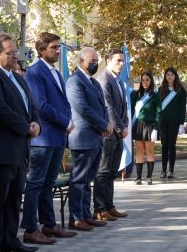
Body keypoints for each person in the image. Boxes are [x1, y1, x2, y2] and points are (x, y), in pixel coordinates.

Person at [0, 33, 40, 252]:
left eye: (16, 51)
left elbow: (31, 107)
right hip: (0, 151)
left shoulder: (17, 77)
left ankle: (10, 239)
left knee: (14, 199)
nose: (16, 56)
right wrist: (27, 128)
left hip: (19, 149)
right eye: (10, 53)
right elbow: (0, 110)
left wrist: (36, 124)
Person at [21, 32, 76, 244]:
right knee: (35, 183)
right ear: (41, 49)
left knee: (49, 183)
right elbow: (41, 106)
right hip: (43, 138)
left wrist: (68, 120)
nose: (57, 50)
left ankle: (49, 225)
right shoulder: (35, 72)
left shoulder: (55, 71)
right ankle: (29, 228)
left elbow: (63, 102)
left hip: (57, 136)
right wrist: (65, 122)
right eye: (53, 47)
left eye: (58, 47)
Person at [66, 47, 113, 231]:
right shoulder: (74, 81)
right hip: (83, 137)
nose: (95, 63)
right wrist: (103, 125)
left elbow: (103, 108)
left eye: (96, 60)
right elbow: (83, 109)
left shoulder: (93, 82)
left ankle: (86, 214)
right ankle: (76, 218)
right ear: (81, 62)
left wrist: (106, 124)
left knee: (88, 180)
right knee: (79, 179)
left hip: (96, 137)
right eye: (92, 60)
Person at [93, 49, 129, 221]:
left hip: (118, 134)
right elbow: (108, 107)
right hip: (108, 133)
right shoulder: (103, 80)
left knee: (112, 171)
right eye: (118, 60)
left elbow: (124, 107)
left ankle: (109, 205)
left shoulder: (119, 82)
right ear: (108, 61)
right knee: (103, 171)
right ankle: (100, 208)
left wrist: (125, 124)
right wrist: (120, 127)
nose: (121, 63)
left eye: (123, 60)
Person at [131, 72, 161, 185]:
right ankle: (138, 178)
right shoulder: (136, 94)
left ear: (151, 81)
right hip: (138, 125)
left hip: (150, 126)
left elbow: (159, 112)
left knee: (149, 151)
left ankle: (149, 177)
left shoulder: (155, 95)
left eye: (147, 80)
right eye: (143, 80)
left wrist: (156, 128)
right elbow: (132, 111)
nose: (145, 82)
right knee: (139, 151)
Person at [159, 67, 187, 179]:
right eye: (167, 75)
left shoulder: (181, 90)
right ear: (165, 77)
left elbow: (182, 109)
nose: (170, 76)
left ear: (175, 76)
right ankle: (163, 170)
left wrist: (182, 123)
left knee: (172, 145)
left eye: (172, 74)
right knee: (164, 146)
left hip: (174, 122)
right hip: (163, 122)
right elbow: (158, 107)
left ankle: (171, 170)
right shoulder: (161, 89)